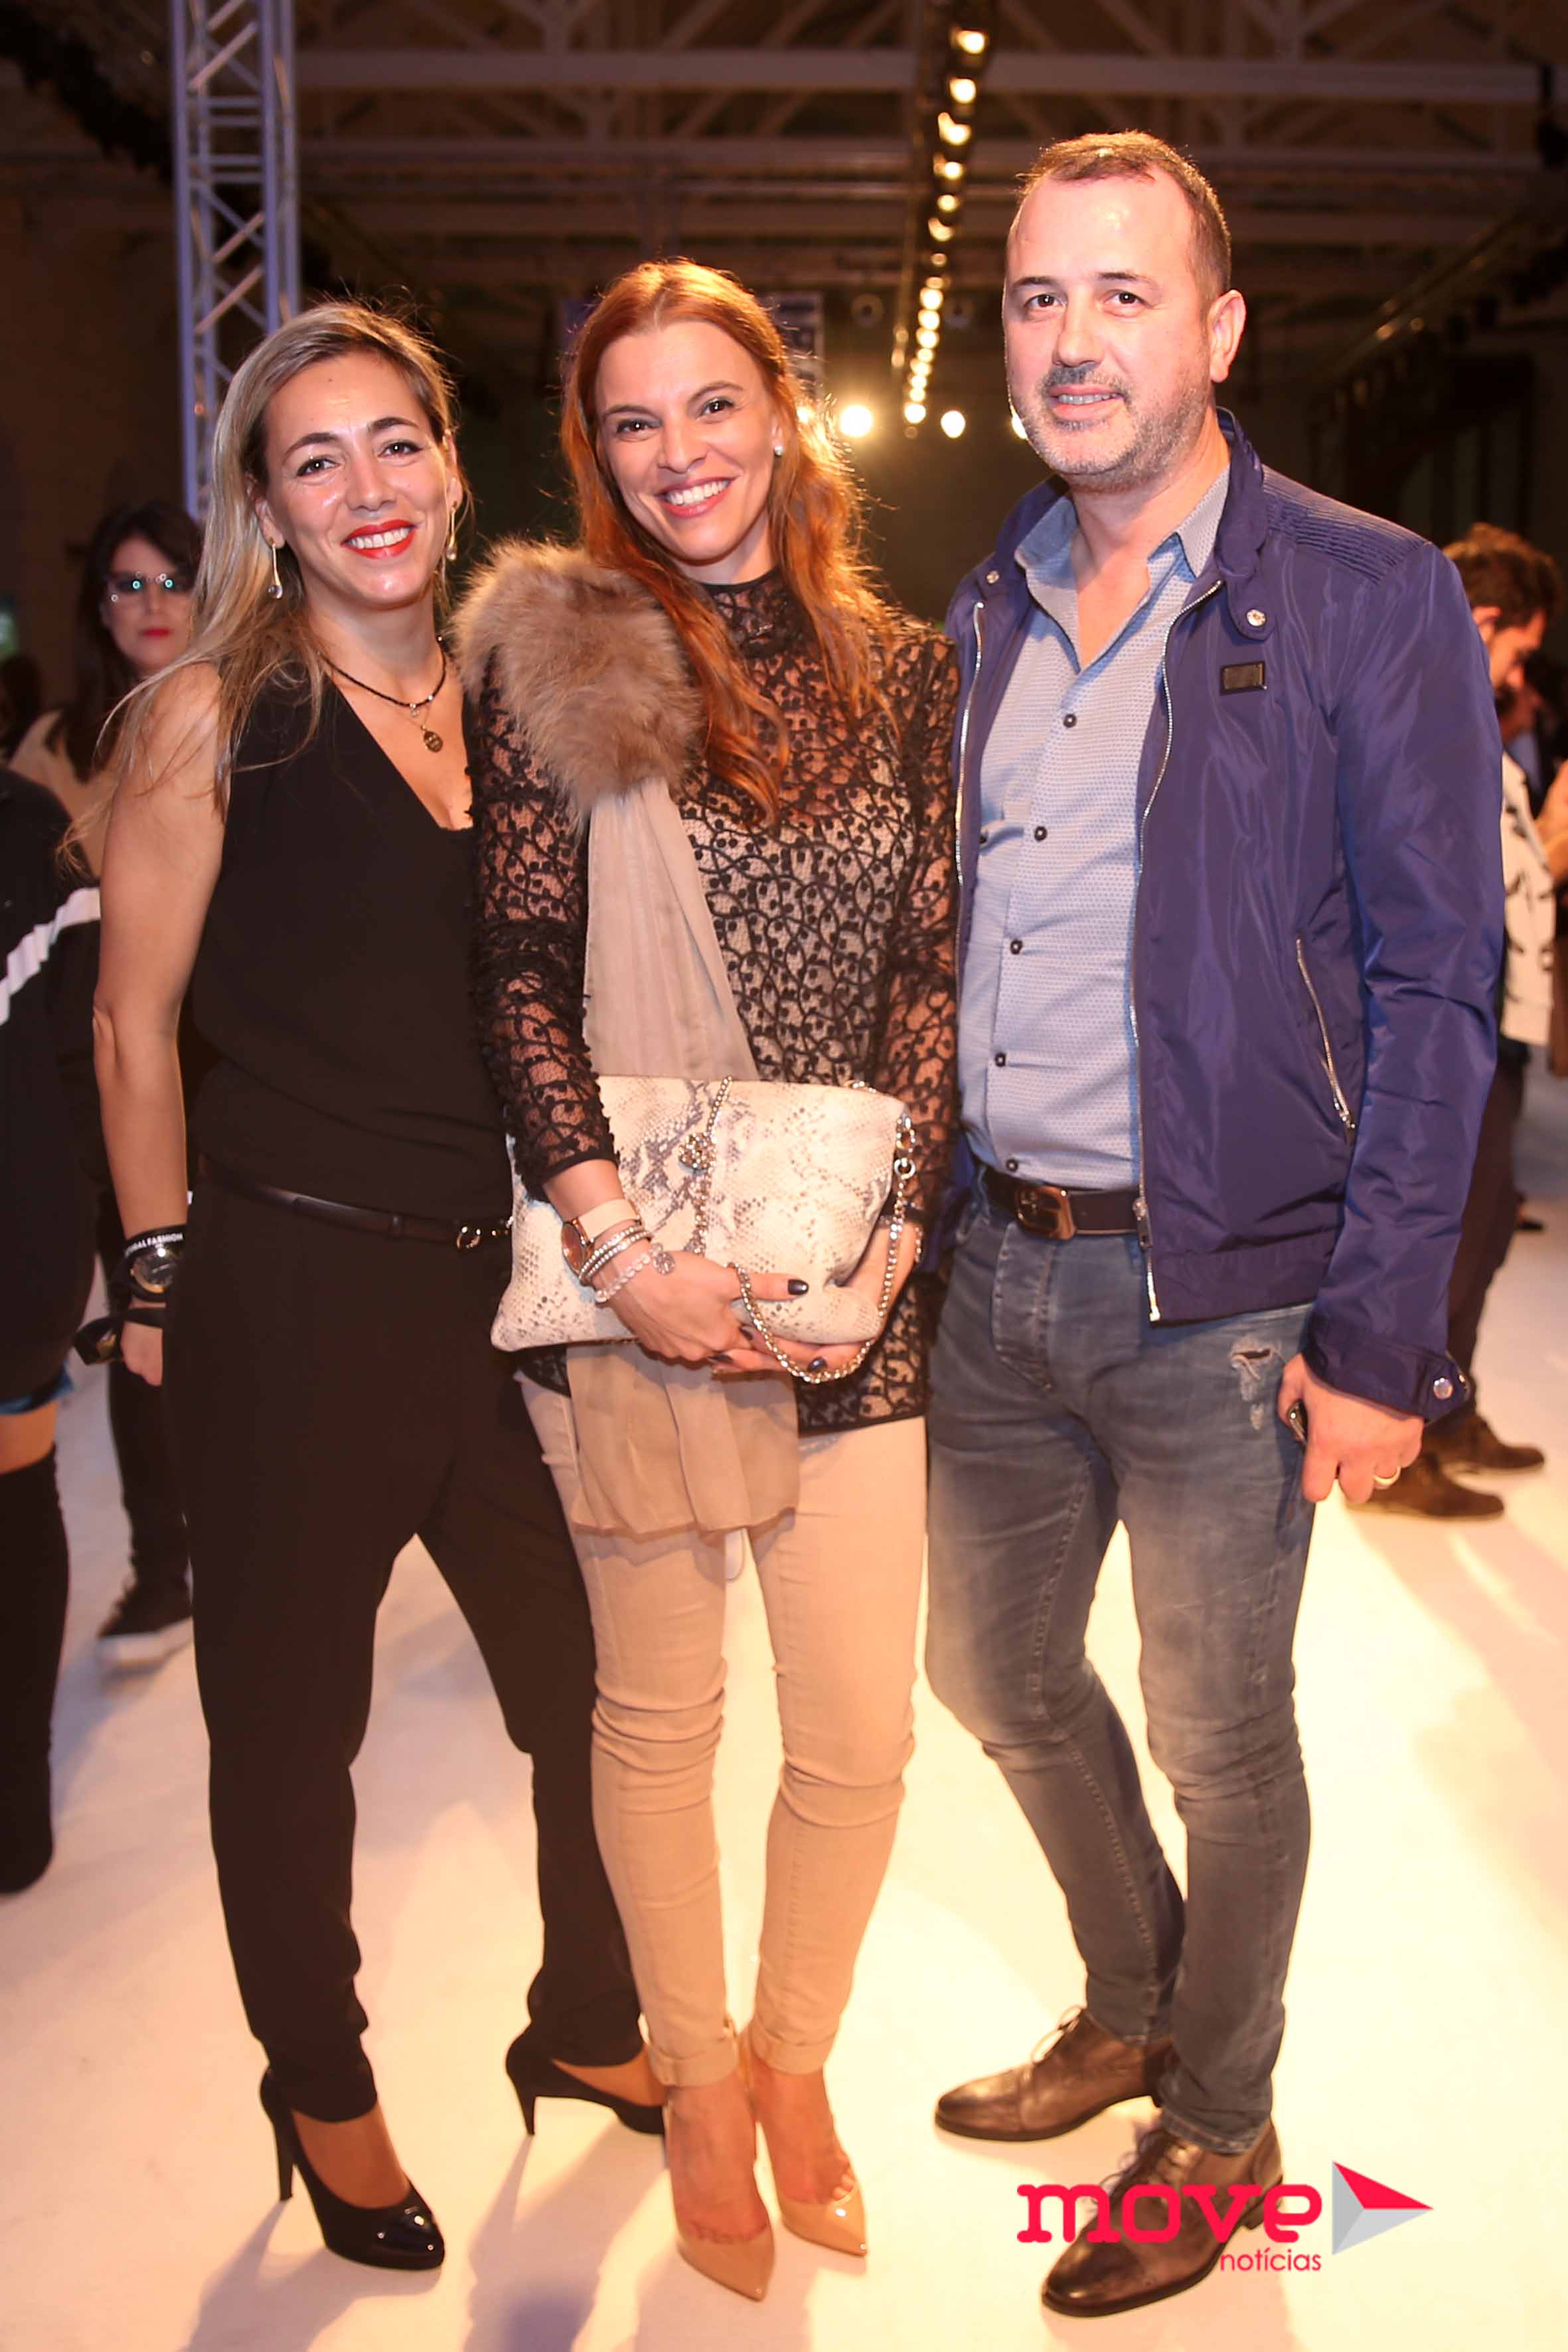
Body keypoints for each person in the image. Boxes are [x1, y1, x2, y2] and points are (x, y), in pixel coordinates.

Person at [921, 133, 1502, 2320]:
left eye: (1122, 295)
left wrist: (1381, 1332)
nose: (1070, 341)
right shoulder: (990, 598)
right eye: (1035, 299)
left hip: (1230, 1294)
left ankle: (1225, 2110)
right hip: (997, 1264)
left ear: (1220, 329)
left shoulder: (1363, 591)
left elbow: (1441, 980)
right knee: (991, 1669)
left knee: (1216, 1730)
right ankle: (1135, 1998)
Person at [92, 300, 658, 2275]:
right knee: (289, 1735)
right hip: (292, 1292)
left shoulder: (514, 704)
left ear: (447, 458)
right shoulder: (212, 717)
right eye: (312, 459)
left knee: (594, 1697)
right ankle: (320, 2086)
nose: (366, 489)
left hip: (489, 1302)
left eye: (393, 441)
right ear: (265, 506)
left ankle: (585, 2017)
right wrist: (158, 1278)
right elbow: (131, 1029)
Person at [457, 258, 957, 2301]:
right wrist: (619, 1247)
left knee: (856, 1738)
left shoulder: (907, 669)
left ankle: (794, 2052)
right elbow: (514, 971)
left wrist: (889, 1242)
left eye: (712, 404)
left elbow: (934, 960)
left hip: (850, 1285)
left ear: (783, 414)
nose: (679, 453)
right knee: (661, 1720)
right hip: (640, 1280)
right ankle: (697, 2082)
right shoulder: (564, 660)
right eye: (633, 421)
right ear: (597, 454)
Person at [15, 501, 204, 1666]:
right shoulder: (55, 752)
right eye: (127, 585)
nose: (150, 605)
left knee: (245, 1317)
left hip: (222, 1069)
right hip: (88, 1081)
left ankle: (266, 1541)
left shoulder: (253, 719)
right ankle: (162, 1567)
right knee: (144, 1321)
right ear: (98, 608)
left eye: (171, 580)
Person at [1363, 525, 1565, 1516]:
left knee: (1481, 1230)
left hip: (1490, 1020)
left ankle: (1445, 1412)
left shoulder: (1464, 724)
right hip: (1444, 1025)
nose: (1519, 674)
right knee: (1435, 1239)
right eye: (1518, 649)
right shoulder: (1419, 717)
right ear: (1483, 622)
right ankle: (1393, 1448)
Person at [0, 771, 100, 1892]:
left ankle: (14, 1798)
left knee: (15, 1505)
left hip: (10, 1257)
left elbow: (82, 1058)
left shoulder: (25, 831)